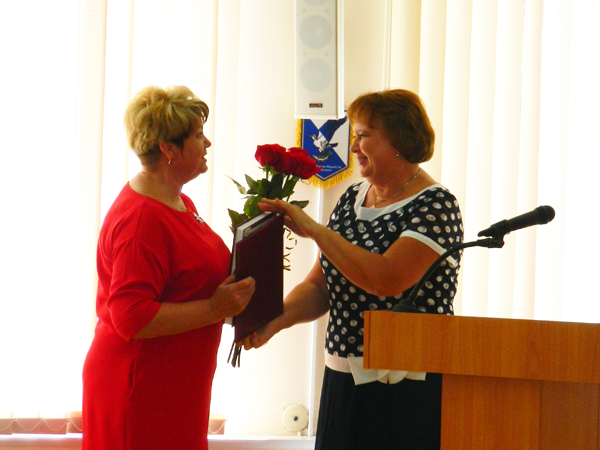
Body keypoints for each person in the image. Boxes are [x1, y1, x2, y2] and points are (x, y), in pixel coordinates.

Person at [243, 89, 464, 449]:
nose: (353, 147)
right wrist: (272, 322)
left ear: (398, 141)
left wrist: (316, 231)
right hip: (343, 376)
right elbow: (320, 288)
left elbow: (385, 279)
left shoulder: (437, 204)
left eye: (363, 136)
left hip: (405, 386)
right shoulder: (351, 197)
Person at [82, 85, 255, 450]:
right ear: (168, 149)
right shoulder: (141, 220)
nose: (207, 144)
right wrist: (215, 308)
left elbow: (191, 279)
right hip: (140, 387)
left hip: (174, 385)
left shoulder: (178, 199)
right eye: (198, 136)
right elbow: (131, 317)